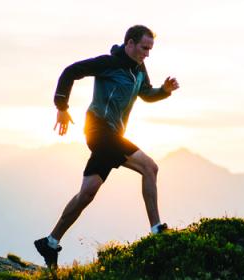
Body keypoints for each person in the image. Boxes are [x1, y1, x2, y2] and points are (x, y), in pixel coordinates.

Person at [34, 25, 180, 269]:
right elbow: (70, 72)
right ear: (130, 44)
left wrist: (163, 91)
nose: (147, 53)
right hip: (99, 130)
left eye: (150, 49)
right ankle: (157, 230)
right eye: (144, 48)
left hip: (113, 134)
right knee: (150, 167)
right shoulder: (108, 63)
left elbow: (146, 94)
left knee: (87, 193)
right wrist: (62, 106)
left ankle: (50, 241)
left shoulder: (139, 69)